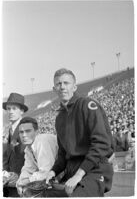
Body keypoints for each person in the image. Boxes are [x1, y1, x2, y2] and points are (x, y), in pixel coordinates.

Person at [45, 68, 114, 197]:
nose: (62, 87)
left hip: (95, 169)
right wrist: (53, 172)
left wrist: (78, 175)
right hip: (72, 170)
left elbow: (102, 144)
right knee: (44, 194)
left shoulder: (87, 105)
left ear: (74, 87)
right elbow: (62, 153)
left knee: (77, 196)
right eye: (58, 84)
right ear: (54, 89)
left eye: (66, 83)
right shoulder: (59, 118)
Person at [16, 116, 58, 197]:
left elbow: (46, 172)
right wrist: (20, 182)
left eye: (28, 131)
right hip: (54, 179)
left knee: (30, 192)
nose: (24, 135)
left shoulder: (41, 141)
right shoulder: (28, 148)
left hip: (69, 175)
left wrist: (27, 181)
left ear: (36, 131)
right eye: (21, 132)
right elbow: (28, 169)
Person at [3, 92, 28, 197]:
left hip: (21, 183)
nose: (10, 112)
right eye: (8, 109)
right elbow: (7, 155)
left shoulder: (25, 129)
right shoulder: (10, 129)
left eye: (14, 108)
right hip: (9, 181)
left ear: (22, 111)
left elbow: (27, 157)